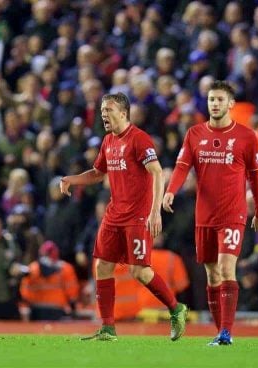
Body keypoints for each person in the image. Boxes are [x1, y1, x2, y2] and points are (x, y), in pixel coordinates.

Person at [60, 92, 188, 342]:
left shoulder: (139, 139)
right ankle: (108, 328)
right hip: (114, 214)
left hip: (137, 216)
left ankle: (176, 308)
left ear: (123, 112)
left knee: (139, 271)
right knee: (102, 266)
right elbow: (98, 173)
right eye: (102, 110)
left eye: (108, 110)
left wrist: (154, 213)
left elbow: (158, 173)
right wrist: (72, 180)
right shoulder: (108, 141)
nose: (103, 115)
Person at [163, 80, 258, 346]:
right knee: (211, 274)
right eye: (211, 100)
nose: (215, 104)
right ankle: (220, 330)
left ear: (231, 104)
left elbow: (255, 178)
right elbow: (182, 166)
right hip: (204, 215)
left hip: (233, 213)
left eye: (220, 100)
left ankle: (227, 333)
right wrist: (171, 190)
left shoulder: (246, 137)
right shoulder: (194, 134)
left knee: (225, 267)